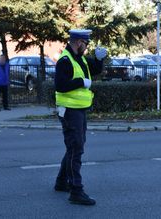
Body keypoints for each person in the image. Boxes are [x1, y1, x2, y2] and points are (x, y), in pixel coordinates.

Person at [54, 29, 107, 206]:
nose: (87, 48)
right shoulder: (65, 60)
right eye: (86, 44)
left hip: (79, 109)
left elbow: (95, 70)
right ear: (78, 42)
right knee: (76, 149)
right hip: (69, 110)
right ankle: (76, 190)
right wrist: (81, 82)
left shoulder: (79, 58)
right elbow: (60, 86)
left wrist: (99, 59)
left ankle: (61, 182)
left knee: (74, 146)